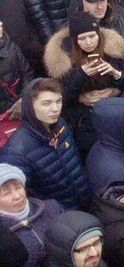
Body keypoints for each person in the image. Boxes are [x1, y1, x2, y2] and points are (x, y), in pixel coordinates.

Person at [0, 78, 90, 208]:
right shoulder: (16, 151)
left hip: (84, 199)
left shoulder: (60, 124)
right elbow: (20, 197)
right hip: (59, 215)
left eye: (58, 101)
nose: (55, 109)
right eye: (46, 104)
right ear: (29, 106)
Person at [0, 163, 63, 267]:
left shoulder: (52, 208)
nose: (17, 196)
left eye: (18, 187)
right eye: (6, 193)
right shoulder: (3, 236)